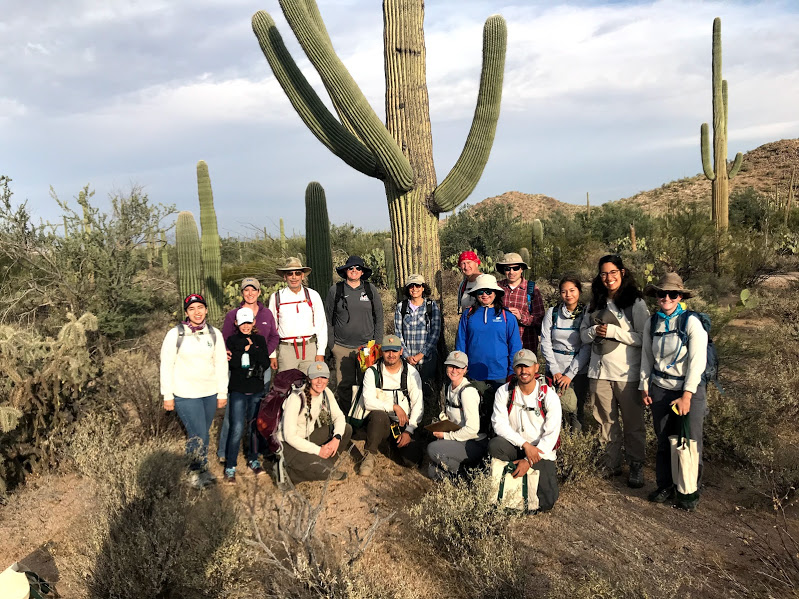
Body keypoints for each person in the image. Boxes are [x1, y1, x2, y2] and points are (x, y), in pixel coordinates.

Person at [640, 273, 708, 511]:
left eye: (672, 294)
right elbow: (646, 357)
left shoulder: (691, 322)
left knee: (690, 441)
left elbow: (698, 361)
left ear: (680, 296)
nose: (666, 298)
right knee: (663, 440)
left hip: (688, 390)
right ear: (656, 297)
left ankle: (688, 490)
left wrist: (687, 395)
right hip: (660, 388)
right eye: (662, 294)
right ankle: (665, 485)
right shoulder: (652, 322)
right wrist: (644, 385)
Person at [580, 255, 649, 488]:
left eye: (613, 273)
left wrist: (613, 332)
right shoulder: (595, 302)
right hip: (598, 373)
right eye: (603, 274)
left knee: (632, 423)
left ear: (622, 272)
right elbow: (583, 333)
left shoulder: (635, 304)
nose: (608, 278)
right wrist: (594, 332)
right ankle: (611, 463)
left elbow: (643, 338)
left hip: (626, 374)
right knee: (605, 421)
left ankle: (636, 465)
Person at [160, 293, 228, 488]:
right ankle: (194, 473)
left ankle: (202, 470)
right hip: (185, 394)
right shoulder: (176, 334)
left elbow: (221, 364)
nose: (197, 312)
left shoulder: (214, 334)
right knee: (198, 434)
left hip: (209, 393)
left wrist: (222, 392)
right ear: (186, 312)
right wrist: (168, 395)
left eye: (200, 308)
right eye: (192, 309)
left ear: (206, 310)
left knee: (203, 432)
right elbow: (166, 365)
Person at [217, 277, 280, 465]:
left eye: (254, 290)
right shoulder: (232, 315)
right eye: (246, 290)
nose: (250, 293)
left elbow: (274, 337)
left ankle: (257, 449)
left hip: (261, 370)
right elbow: (225, 339)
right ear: (242, 292)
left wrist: (262, 355)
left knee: (259, 410)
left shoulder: (267, 314)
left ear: (259, 292)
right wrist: (229, 354)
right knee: (232, 413)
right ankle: (224, 450)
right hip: (237, 370)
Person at [489, 349, 562, 512]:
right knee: (495, 445)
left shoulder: (549, 396)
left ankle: (522, 477)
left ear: (536, 368)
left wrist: (529, 460)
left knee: (546, 502)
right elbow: (499, 424)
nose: (524, 371)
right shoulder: (504, 392)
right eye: (519, 367)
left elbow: (551, 436)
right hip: (517, 446)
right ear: (514, 369)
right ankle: (508, 484)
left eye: (527, 366)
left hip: (540, 451)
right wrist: (524, 445)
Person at [359, 335, 424, 476]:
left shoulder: (411, 373)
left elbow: (418, 404)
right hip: (382, 421)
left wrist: (409, 430)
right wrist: (394, 407)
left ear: (401, 351)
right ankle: (369, 455)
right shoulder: (373, 372)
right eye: (387, 350)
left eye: (394, 351)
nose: (391, 355)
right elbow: (368, 401)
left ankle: (392, 444)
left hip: (403, 423)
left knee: (411, 461)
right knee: (378, 415)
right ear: (382, 351)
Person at [278, 362, 353, 485]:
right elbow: (289, 437)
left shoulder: (326, 392)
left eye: (323, 377)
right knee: (326, 471)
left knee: (346, 429)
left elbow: (339, 416)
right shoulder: (296, 398)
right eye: (315, 377)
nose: (319, 381)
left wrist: (337, 437)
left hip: (307, 437)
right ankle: (289, 474)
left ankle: (324, 463)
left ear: (328, 379)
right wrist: (318, 450)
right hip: (288, 445)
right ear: (309, 379)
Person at [325, 255, 383, 411]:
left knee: (368, 384)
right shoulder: (335, 290)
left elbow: (379, 317)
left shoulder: (370, 290)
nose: (354, 271)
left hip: (366, 347)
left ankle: (365, 419)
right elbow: (328, 319)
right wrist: (332, 345)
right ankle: (346, 421)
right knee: (344, 385)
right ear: (346, 271)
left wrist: (377, 344)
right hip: (342, 347)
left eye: (358, 268)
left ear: (362, 272)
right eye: (351, 268)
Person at [222, 307, 270, 484]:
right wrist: (247, 349)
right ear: (236, 323)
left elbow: (264, 362)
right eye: (242, 323)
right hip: (238, 391)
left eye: (248, 322)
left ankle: (253, 459)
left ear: (254, 322)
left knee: (254, 427)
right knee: (236, 428)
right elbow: (233, 364)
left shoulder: (260, 340)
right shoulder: (232, 340)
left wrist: (250, 350)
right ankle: (230, 465)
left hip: (256, 389)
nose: (246, 326)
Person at [426, 351, 488, 480]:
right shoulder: (448, 387)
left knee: (432, 449)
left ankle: (466, 476)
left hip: (474, 442)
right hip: (460, 438)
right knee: (432, 471)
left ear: (465, 369)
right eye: (451, 366)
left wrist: (446, 436)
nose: (454, 370)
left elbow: (472, 429)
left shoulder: (467, 392)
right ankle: (462, 475)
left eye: (458, 367)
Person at [540, 274, 590, 431]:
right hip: (554, 370)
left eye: (572, 290)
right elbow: (546, 342)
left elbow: (587, 346)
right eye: (564, 291)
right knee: (554, 409)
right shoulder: (552, 313)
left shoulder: (586, 313)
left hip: (578, 371)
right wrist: (554, 370)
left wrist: (570, 374)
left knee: (576, 409)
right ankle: (556, 442)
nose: (568, 295)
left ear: (579, 291)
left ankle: (576, 441)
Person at [455, 273, 522, 390]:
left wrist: (512, 372)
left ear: (496, 293)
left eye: (488, 291)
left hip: (501, 373)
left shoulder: (507, 316)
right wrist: (460, 367)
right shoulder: (468, 314)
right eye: (480, 292)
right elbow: (461, 343)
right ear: (476, 294)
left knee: (499, 407)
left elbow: (515, 347)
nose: (485, 295)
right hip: (474, 372)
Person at [268, 257, 327, 374]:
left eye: (297, 273)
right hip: (287, 349)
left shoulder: (313, 295)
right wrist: (272, 354)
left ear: (302, 276)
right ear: (285, 277)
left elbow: (321, 325)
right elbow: (271, 327)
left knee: (309, 387)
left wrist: (320, 352)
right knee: (285, 387)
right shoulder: (276, 297)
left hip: (310, 348)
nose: (294, 277)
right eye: (290, 273)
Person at [393, 273, 442, 396]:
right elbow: (398, 333)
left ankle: (429, 415)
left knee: (427, 391)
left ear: (423, 287)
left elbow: (435, 333)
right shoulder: (401, 307)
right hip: (408, 359)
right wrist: (406, 355)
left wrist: (422, 354)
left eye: (418, 285)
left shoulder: (431, 306)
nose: (415, 289)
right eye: (411, 286)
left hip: (427, 358)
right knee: (409, 391)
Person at [496, 252, 545, 352]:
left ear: (522, 269)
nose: (511, 272)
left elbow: (540, 319)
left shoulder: (531, 289)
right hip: (501, 343)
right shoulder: (497, 288)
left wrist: (521, 317)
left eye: (516, 268)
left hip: (525, 343)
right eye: (507, 269)